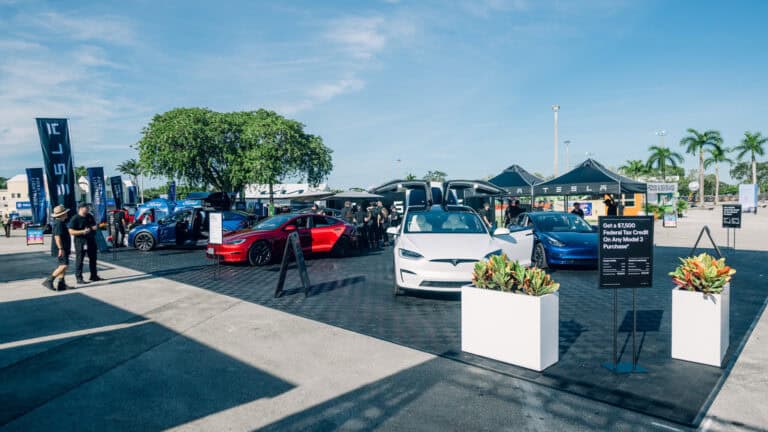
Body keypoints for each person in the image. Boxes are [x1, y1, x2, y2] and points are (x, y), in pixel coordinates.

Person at [68, 203, 102, 285]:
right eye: (86, 207)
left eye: (88, 207)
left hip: (91, 240)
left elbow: (94, 225)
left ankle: (94, 276)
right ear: (80, 208)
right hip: (80, 241)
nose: (88, 209)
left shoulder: (89, 216)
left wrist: (95, 227)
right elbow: (71, 231)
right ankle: (79, 278)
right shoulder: (75, 218)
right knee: (80, 260)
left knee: (93, 259)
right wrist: (82, 231)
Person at [42, 205, 72, 291]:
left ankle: (61, 284)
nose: (67, 214)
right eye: (65, 213)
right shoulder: (58, 223)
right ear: (62, 214)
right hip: (61, 248)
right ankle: (49, 280)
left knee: (62, 265)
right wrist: (60, 248)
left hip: (63, 248)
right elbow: (57, 236)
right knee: (64, 265)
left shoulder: (60, 222)